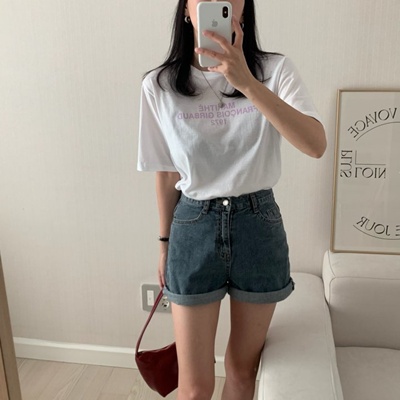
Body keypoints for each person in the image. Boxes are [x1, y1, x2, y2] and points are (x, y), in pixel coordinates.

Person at [137, 0, 326, 399]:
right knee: (194, 388)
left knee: (241, 370)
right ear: (186, 10)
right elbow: (167, 172)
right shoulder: (159, 85)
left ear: (244, 8)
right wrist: (164, 244)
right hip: (192, 226)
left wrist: (247, 83)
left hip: (258, 224)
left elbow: (315, 144)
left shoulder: (274, 70)